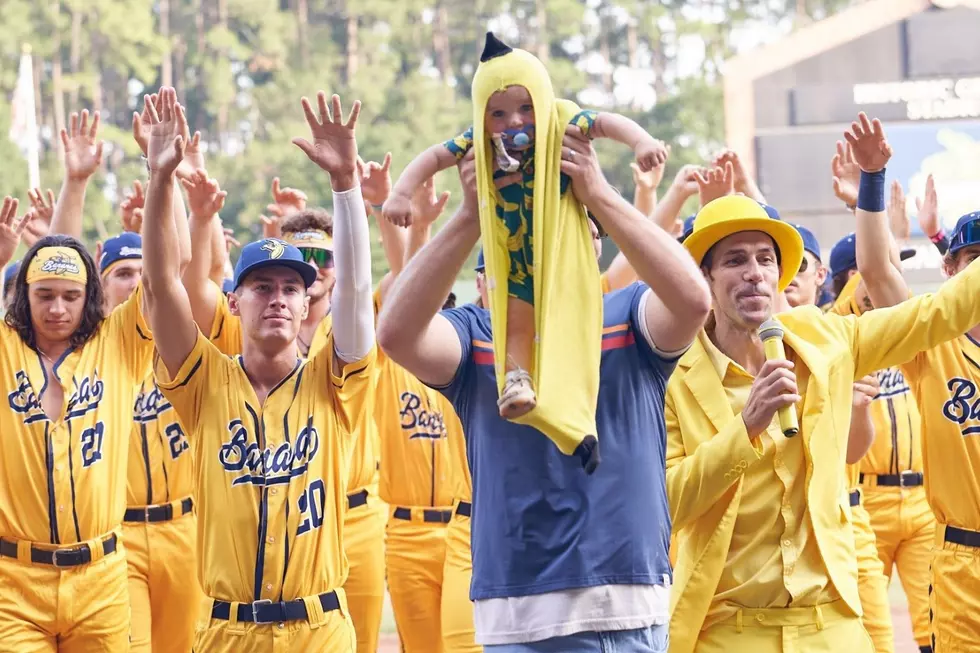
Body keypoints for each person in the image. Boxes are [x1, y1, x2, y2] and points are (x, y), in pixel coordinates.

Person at [378, 122, 711, 651]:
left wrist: (598, 193)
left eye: (570, 229)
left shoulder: (626, 316)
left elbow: (694, 299)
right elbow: (395, 335)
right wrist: (471, 215)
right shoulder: (476, 333)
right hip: (520, 615)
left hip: (626, 607)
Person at [664, 142, 980, 653]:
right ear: (704, 277)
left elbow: (938, 313)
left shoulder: (826, 337)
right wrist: (746, 426)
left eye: (766, 259)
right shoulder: (672, 375)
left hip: (830, 624)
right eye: (735, 260)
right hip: (726, 630)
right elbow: (665, 503)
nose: (754, 272)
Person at [142, 87, 374, 651]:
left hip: (320, 628)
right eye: (261, 287)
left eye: (291, 289)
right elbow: (162, 285)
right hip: (228, 631)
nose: (277, 299)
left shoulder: (332, 378)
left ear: (305, 304)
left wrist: (346, 187)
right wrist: (159, 181)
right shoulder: (203, 382)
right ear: (235, 302)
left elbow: (357, 292)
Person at [384, 33, 667, 474]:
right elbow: (433, 157)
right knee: (515, 322)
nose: (514, 121)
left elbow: (608, 123)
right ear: (483, 116)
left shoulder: (562, 119)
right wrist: (401, 192)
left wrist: (642, 141)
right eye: (498, 113)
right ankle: (517, 382)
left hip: (561, 258)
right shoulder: (479, 144)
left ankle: (577, 417)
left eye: (524, 107)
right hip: (512, 259)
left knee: (571, 332)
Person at [0, 184, 154, 651]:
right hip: (14, 582)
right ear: (23, 295)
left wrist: (161, 177)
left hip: (102, 580)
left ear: (89, 296)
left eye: (71, 295)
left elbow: (168, 274)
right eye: (44, 295)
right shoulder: (5, 347)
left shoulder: (119, 343)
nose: (57, 309)